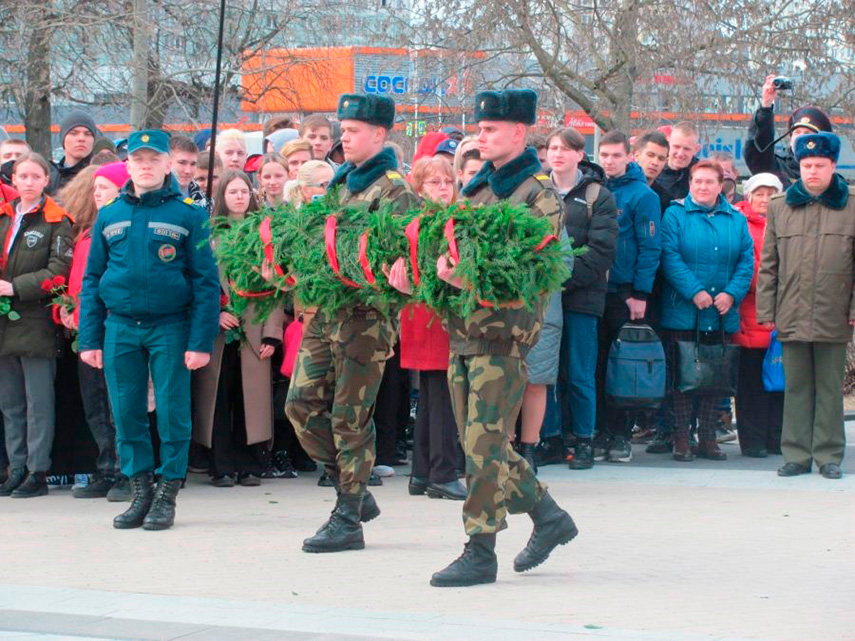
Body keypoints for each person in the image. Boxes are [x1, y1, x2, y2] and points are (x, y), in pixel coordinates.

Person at [427, 89, 577, 588]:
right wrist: (424, 278)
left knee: (483, 445)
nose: (481, 135)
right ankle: (549, 516)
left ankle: (480, 549)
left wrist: (467, 278)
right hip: (465, 334)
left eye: (491, 129)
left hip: (505, 338)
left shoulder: (539, 195)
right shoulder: (478, 192)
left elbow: (533, 272)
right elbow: (450, 252)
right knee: (482, 444)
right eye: (480, 127)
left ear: (518, 132)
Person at [284, 94, 418, 553]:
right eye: (343, 127)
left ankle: (348, 516)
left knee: (349, 419)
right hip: (326, 312)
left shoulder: (396, 191)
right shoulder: (341, 184)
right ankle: (354, 487)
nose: (344, 135)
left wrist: (396, 280)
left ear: (379, 135)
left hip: (366, 320)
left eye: (354, 129)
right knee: (299, 405)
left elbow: (406, 262)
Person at [78, 130, 220, 530]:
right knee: (126, 414)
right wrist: (89, 338)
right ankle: (140, 490)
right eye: (138, 158)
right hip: (120, 327)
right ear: (128, 164)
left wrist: (200, 341)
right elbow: (92, 280)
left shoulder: (189, 214)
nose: (145, 165)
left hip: (170, 327)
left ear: (166, 164)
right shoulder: (109, 215)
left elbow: (206, 282)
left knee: (173, 413)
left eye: (153, 158)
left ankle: (167, 493)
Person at [757, 132, 854, 480]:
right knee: (795, 387)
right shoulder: (781, 206)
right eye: (807, 165)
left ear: (833, 166)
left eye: (820, 165)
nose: (812, 171)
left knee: (829, 388)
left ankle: (828, 455)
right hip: (792, 311)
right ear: (799, 166)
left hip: (835, 310)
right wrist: (766, 311)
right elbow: (769, 264)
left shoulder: (851, 205)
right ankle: (796, 454)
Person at [193, 171, 285, 487]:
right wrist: (215, 312)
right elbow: (200, 282)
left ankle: (250, 464)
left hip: (255, 326)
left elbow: (276, 286)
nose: (239, 197)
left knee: (251, 399)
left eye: (244, 191)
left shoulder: (263, 234)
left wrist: (273, 332)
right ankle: (221, 464)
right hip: (218, 331)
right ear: (222, 196)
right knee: (217, 397)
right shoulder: (208, 235)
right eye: (232, 191)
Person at [659, 160, 754, 462]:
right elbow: (670, 256)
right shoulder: (675, 215)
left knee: (717, 377)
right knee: (683, 377)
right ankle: (682, 438)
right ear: (690, 183)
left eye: (709, 182)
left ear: (720, 185)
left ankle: (709, 438)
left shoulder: (735, 219)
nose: (703, 187)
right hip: (684, 311)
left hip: (722, 313)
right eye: (697, 181)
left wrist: (732, 293)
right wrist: (694, 291)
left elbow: (746, 261)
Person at [542, 127, 618, 471]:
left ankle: (584, 440)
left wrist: (561, 279)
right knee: (545, 372)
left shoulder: (597, 195)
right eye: (553, 147)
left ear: (579, 155)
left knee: (580, 372)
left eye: (565, 148)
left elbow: (601, 251)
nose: (558, 154)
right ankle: (551, 437)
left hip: (581, 298)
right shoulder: (537, 190)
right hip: (542, 297)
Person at [0, 153, 74, 498]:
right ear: (13, 180)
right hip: (3, 323)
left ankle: (37, 470)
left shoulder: (57, 221)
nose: (28, 182)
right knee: (10, 402)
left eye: (35, 176)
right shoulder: (3, 216)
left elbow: (58, 272)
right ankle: (15, 468)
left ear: (47, 180)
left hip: (35, 321)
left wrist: (14, 287)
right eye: (22, 176)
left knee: (38, 401)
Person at [56, 163, 130, 500]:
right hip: (86, 327)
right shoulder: (86, 232)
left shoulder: (123, 229)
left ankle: (127, 472)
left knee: (119, 402)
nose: (96, 192)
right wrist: (65, 310)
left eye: (104, 187)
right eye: (95, 187)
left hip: (113, 325)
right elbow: (76, 280)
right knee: (95, 402)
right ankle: (106, 467)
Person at [592, 130, 661, 463]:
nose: (609, 161)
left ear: (628, 156)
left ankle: (620, 434)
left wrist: (640, 292)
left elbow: (650, 247)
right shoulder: (594, 189)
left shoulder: (642, 195)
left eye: (615, 156)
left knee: (621, 367)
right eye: (604, 155)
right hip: (593, 290)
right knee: (594, 364)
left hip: (624, 293)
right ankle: (599, 431)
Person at [401, 156, 466, 501]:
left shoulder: (420, 221)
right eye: (435, 183)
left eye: (448, 182)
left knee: (430, 394)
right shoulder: (437, 223)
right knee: (442, 395)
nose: (444, 188)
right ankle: (442, 471)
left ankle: (422, 472)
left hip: (420, 313)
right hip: (434, 314)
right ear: (419, 188)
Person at [732, 172, 785, 458]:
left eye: (771, 193)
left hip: (783, 318)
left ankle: (776, 438)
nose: (765, 199)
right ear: (749, 195)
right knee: (752, 383)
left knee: (779, 382)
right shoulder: (740, 223)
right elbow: (749, 269)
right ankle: (752, 441)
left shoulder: (787, 219)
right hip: (750, 317)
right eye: (759, 193)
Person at [745, 74, 833, 184]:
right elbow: (757, 151)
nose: (801, 136)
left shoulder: (834, 182)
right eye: (797, 133)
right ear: (790, 140)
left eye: (807, 133)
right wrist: (766, 106)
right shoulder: (777, 168)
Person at [49, 110, 100, 194]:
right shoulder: (49, 179)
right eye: (74, 133)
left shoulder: (100, 178)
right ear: (63, 138)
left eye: (87, 134)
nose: (81, 138)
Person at [654, 121, 700, 204]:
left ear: (696, 149)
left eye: (686, 149)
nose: (680, 154)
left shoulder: (703, 174)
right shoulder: (655, 169)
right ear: (668, 144)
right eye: (676, 147)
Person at [633, 130, 671, 212]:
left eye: (661, 158)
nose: (655, 162)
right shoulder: (617, 189)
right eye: (650, 155)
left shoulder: (664, 199)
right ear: (637, 156)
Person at [169, 135, 207, 205]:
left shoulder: (204, 200)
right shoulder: (153, 197)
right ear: (167, 162)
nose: (188, 171)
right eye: (182, 163)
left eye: (193, 164)